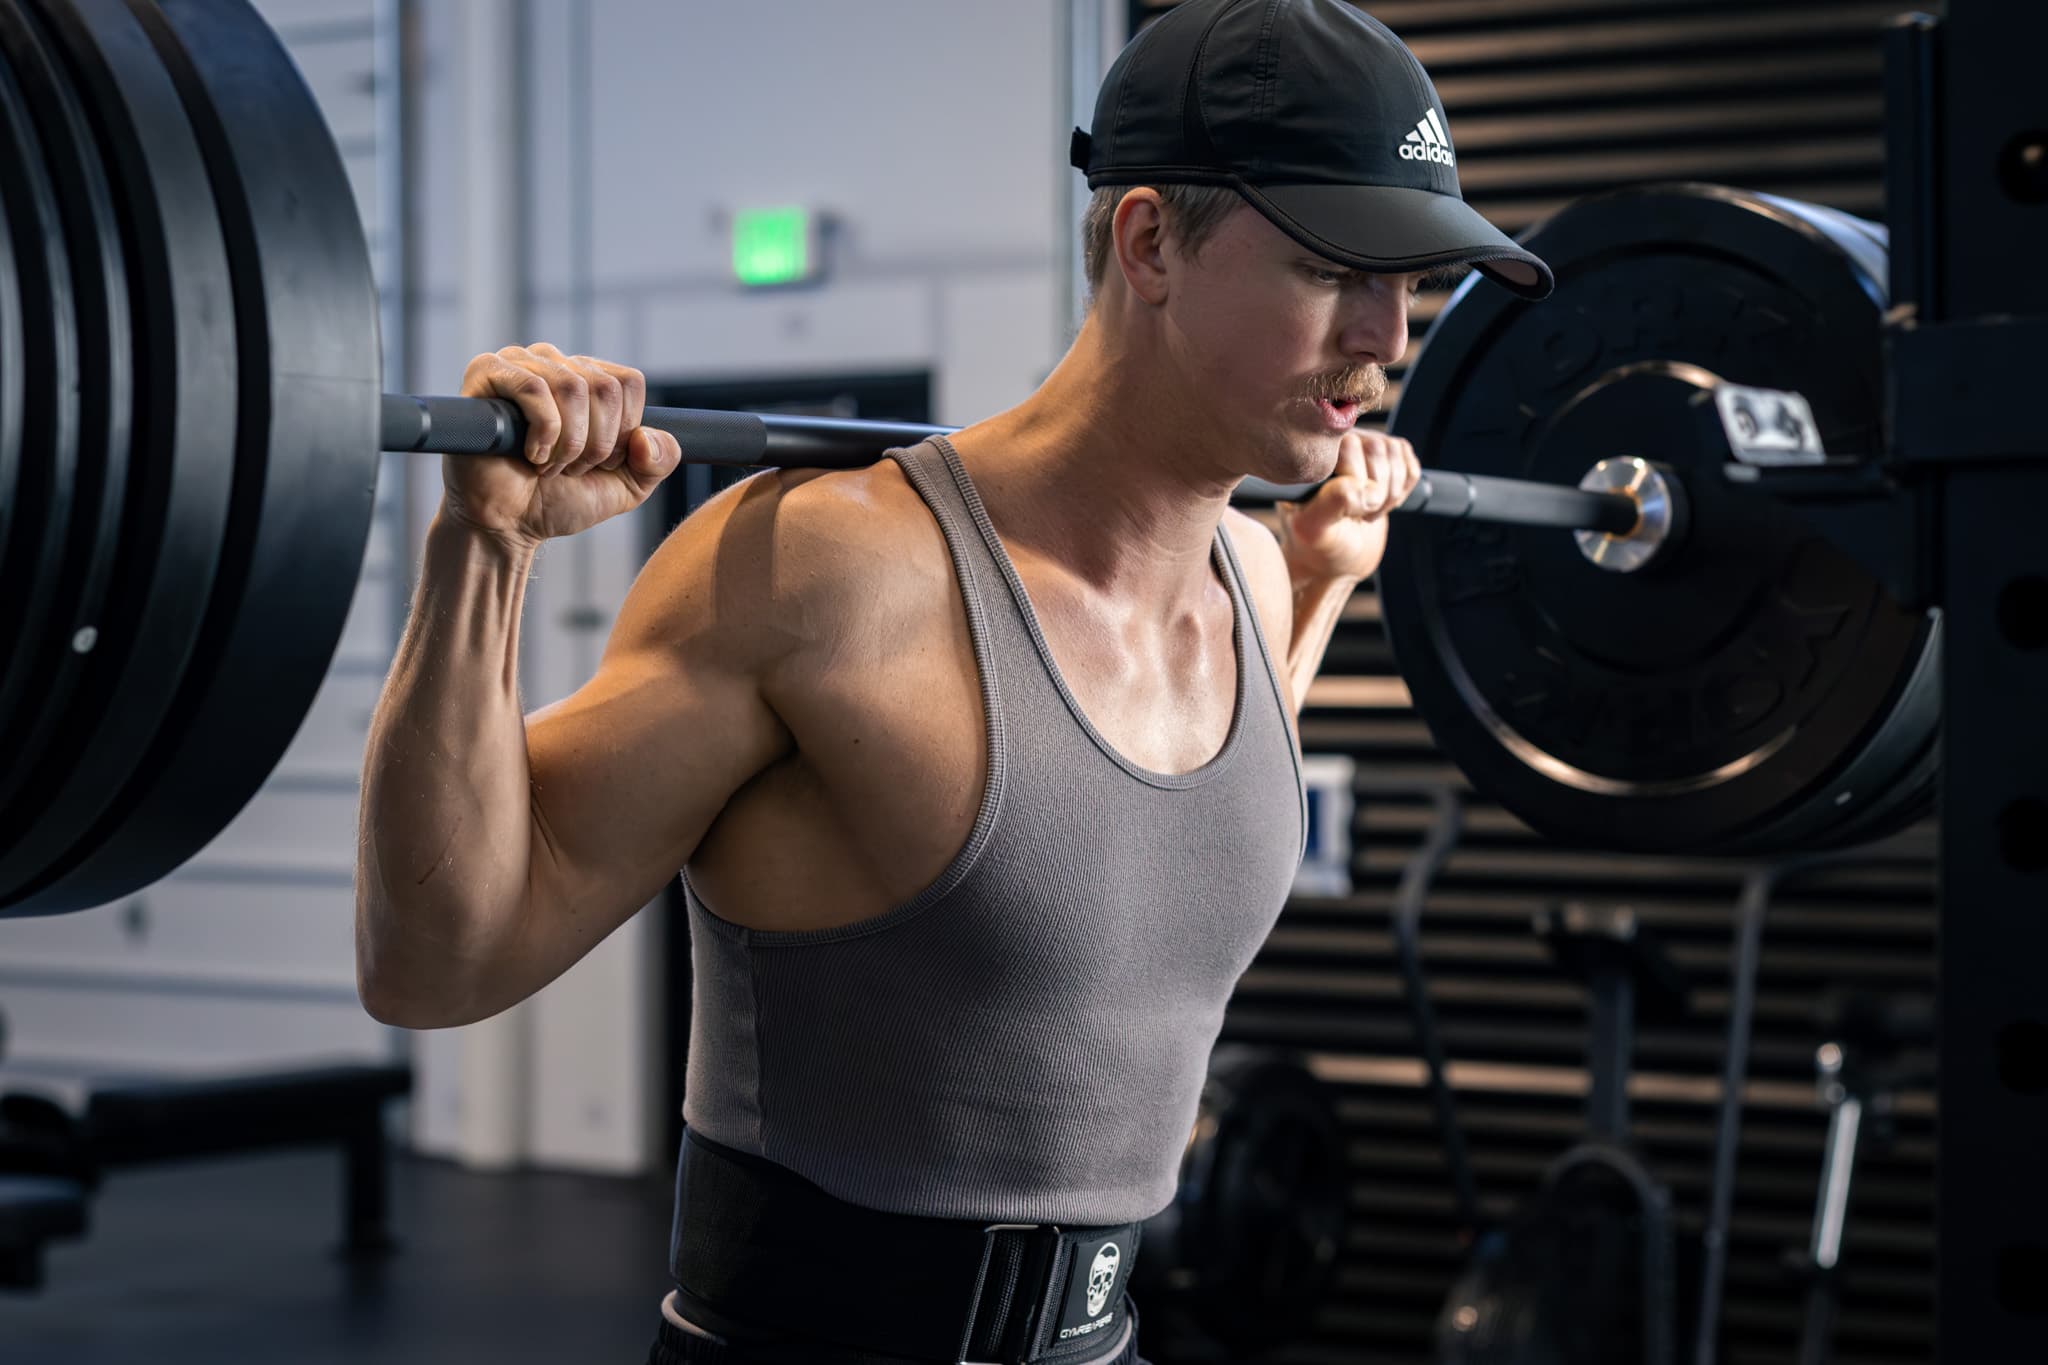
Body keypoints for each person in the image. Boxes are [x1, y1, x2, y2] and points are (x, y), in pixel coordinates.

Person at [354, 2, 1551, 1361]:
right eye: (1342, 268)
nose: (1389, 336)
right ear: (1151, 242)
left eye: (1411, 283)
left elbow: (1136, 829)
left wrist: (1324, 573)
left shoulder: (1260, 578)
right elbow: (431, 960)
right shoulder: (821, 574)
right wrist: (483, 548)